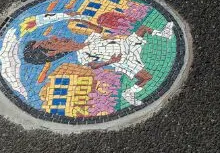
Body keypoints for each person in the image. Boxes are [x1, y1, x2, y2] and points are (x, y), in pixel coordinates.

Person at [23, 20, 174, 106]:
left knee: (143, 29)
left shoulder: (89, 41)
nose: (56, 37)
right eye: (51, 43)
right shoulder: (82, 55)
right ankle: (129, 93)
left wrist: (84, 22)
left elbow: (99, 30)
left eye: (51, 38)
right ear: (53, 52)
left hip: (125, 45)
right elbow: (93, 66)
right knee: (146, 77)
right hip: (123, 59)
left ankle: (164, 34)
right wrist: (110, 61)